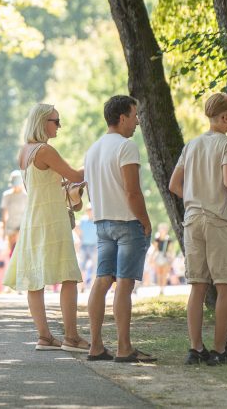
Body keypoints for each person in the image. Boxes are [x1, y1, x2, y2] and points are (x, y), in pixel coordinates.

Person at [168, 92, 227, 366]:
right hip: (217, 219)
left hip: (192, 219)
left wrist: (194, 196)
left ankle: (196, 349)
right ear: (224, 117)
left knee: (197, 287)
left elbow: (174, 185)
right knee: (224, 286)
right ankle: (220, 351)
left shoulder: (192, 145)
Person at [5, 104, 90, 352]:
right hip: (51, 218)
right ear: (43, 122)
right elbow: (74, 174)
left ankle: (45, 336)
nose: (59, 126)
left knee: (34, 279)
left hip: (33, 218)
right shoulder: (44, 150)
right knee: (69, 276)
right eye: (56, 121)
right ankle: (72, 337)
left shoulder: (24, 151)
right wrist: (96, 162)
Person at [84, 95, 155, 363]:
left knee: (102, 281)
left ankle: (96, 345)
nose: (137, 122)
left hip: (102, 223)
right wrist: (145, 221)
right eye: (135, 116)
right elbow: (132, 191)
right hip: (127, 222)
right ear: (122, 117)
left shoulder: (92, 150)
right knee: (124, 286)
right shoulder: (126, 147)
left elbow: (91, 189)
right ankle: (124, 348)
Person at [0, 170, 28, 252]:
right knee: (12, 252)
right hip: (11, 227)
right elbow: (4, 215)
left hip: (22, 227)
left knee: (21, 251)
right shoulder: (7, 195)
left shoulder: (26, 195)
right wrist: (4, 231)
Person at [76, 207, 98, 292]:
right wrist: (80, 238)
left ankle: (93, 286)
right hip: (84, 246)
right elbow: (76, 227)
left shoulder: (96, 221)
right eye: (88, 210)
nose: (90, 212)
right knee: (82, 266)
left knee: (95, 267)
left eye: (91, 210)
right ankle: (82, 286)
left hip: (94, 246)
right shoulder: (83, 220)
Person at [152, 223, 173, 296]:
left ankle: (162, 289)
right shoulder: (157, 239)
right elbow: (155, 250)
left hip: (166, 257)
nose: (162, 230)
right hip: (158, 257)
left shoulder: (169, 240)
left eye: (164, 229)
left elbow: (170, 250)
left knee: (164, 275)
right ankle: (160, 288)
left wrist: (171, 258)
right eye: (161, 229)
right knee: (159, 275)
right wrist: (151, 258)